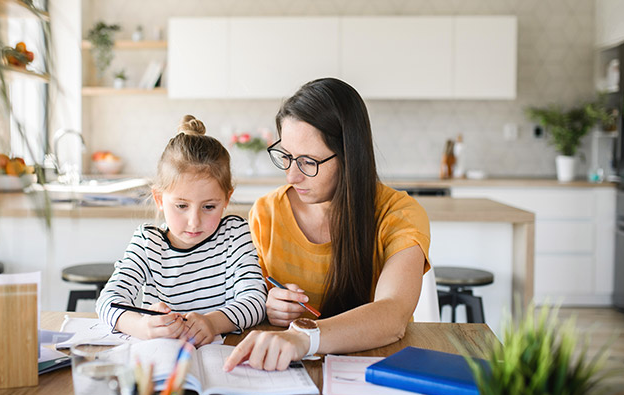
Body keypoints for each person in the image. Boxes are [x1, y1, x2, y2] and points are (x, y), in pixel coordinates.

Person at [223, 78, 430, 371]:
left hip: (377, 366)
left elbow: (394, 314)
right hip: (286, 369)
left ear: (349, 156)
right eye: (287, 157)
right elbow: (248, 296)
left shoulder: (399, 214)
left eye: (308, 161)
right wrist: (268, 305)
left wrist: (305, 337)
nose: (292, 176)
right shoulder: (266, 213)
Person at [96, 115, 267, 346]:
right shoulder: (148, 243)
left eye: (209, 207)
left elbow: (255, 300)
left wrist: (212, 323)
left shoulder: (235, 234)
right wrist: (141, 327)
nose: (194, 222)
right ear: (159, 198)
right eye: (181, 206)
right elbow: (108, 301)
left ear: (227, 199)